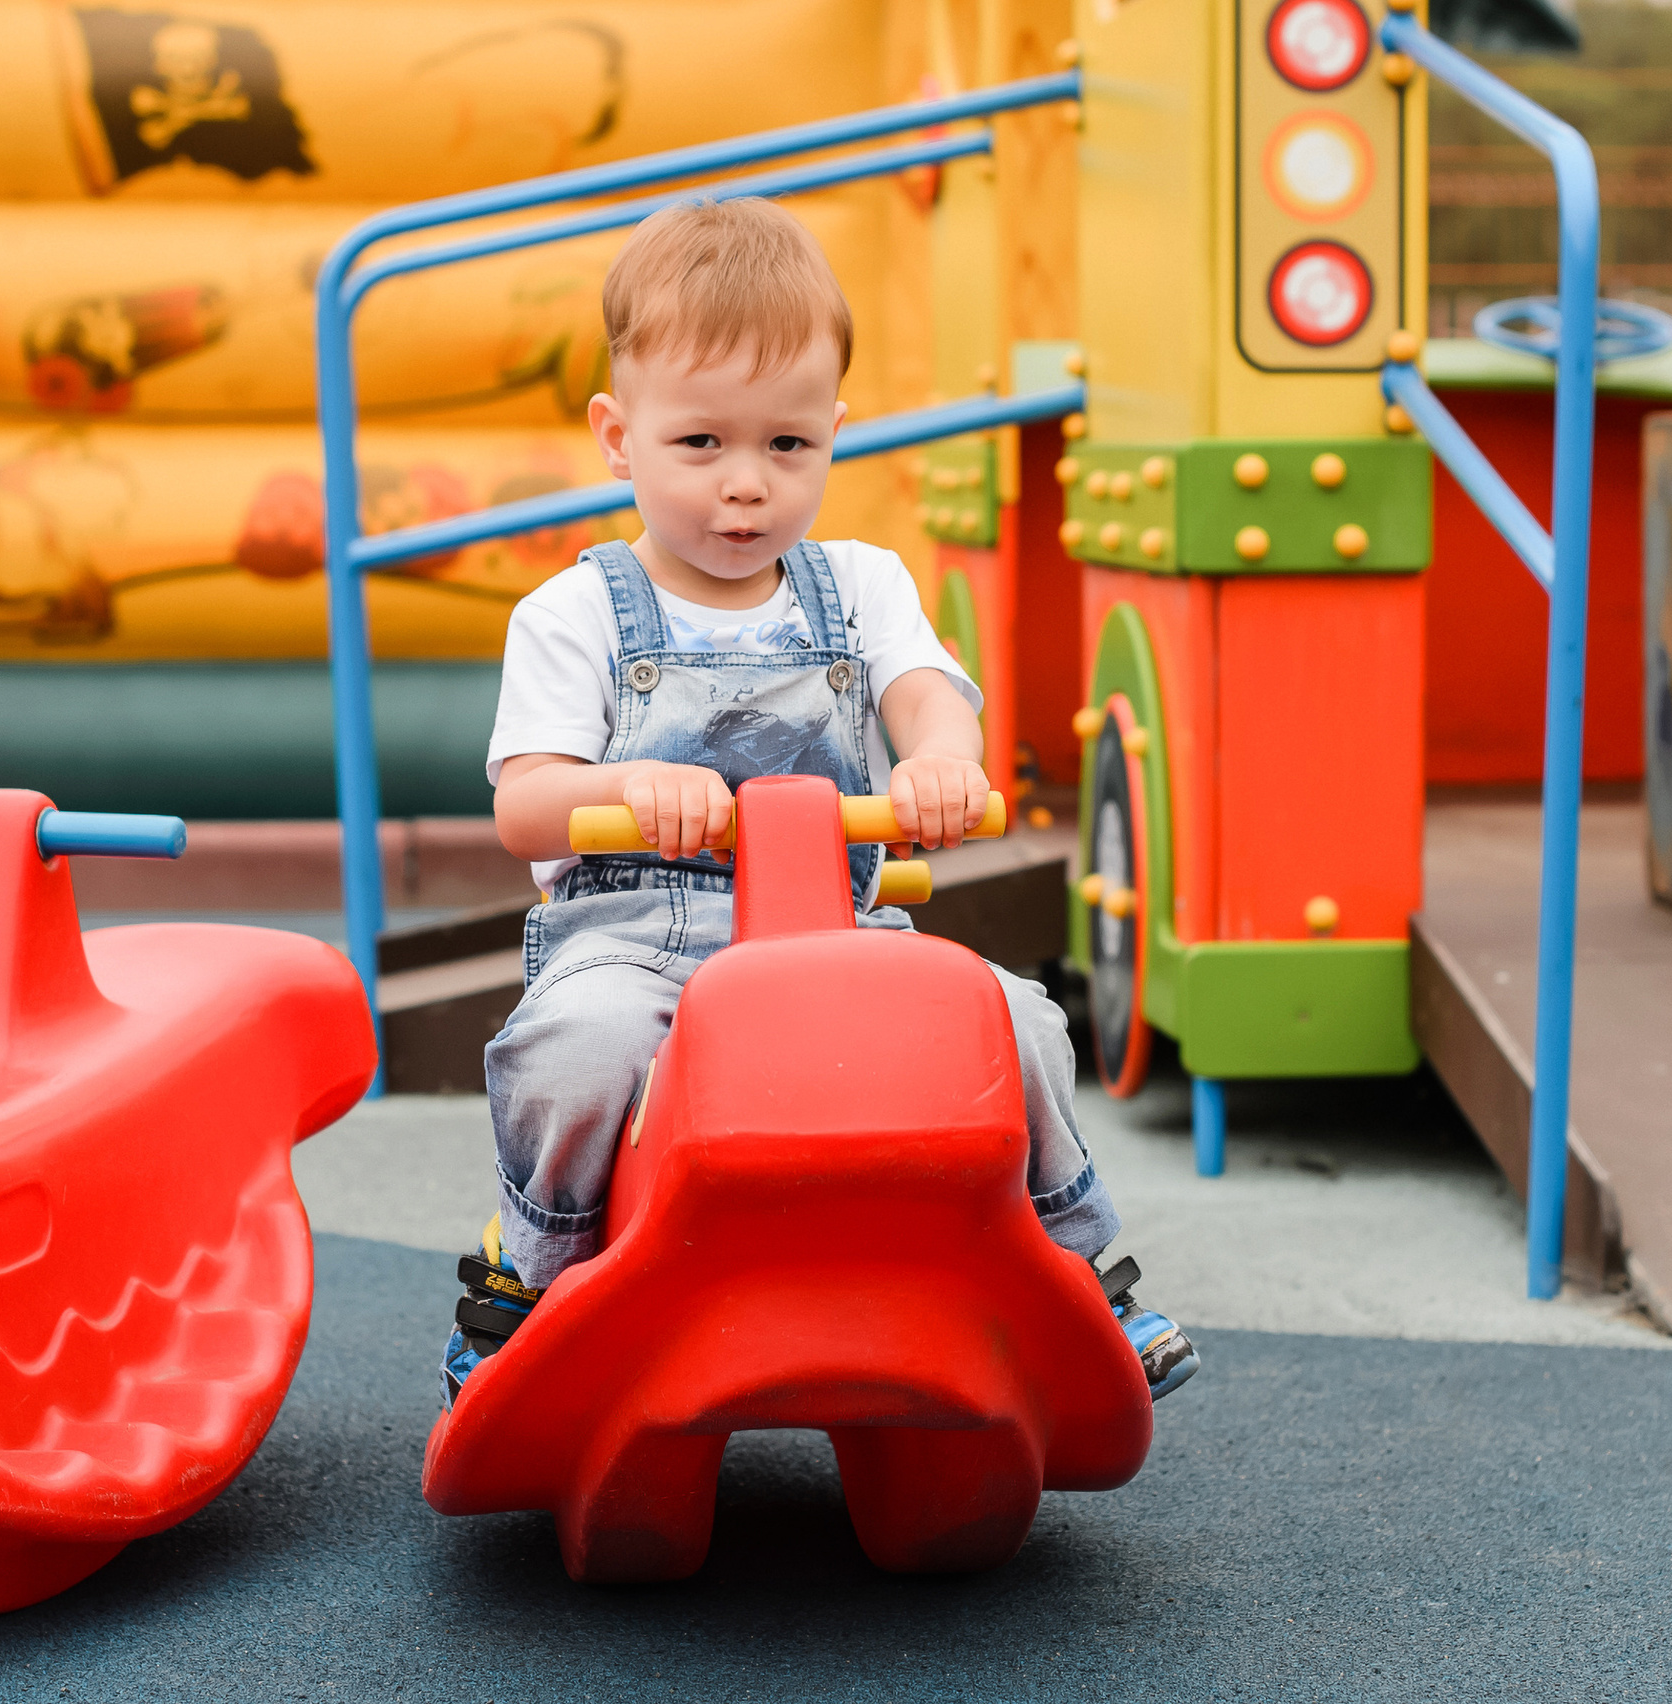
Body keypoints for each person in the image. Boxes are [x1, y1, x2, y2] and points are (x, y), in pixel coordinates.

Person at [441, 196, 1196, 1410]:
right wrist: (632, 787)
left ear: (833, 434)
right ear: (617, 435)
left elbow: (926, 695)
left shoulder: (862, 586)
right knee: (572, 1050)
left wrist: (939, 762)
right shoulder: (575, 613)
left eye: (787, 446)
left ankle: (1077, 1265)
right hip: (637, 945)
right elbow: (529, 809)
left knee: (1017, 1023)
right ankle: (528, 1278)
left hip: (843, 940)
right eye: (701, 445)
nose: (746, 487)